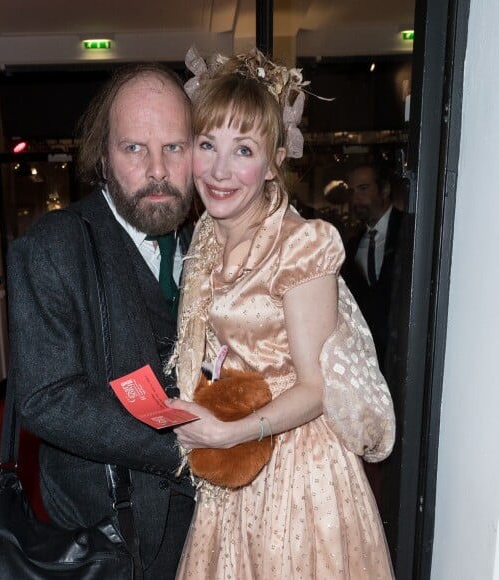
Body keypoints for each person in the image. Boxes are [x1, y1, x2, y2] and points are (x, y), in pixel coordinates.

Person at [165, 48, 395, 578]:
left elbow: (315, 388)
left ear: (273, 161)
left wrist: (233, 433)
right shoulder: (203, 239)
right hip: (236, 455)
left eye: (243, 149)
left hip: (298, 466)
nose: (220, 171)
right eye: (208, 144)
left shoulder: (301, 244)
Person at [6, 63, 196, 579]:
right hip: (109, 539)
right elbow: (47, 398)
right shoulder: (52, 248)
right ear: (104, 159)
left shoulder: (208, 243)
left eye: (174, 148)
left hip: (212, 529)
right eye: (135, 148)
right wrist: (188, 448)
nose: (157, 170)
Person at [341, 163, 403, 369]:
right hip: (366, 359)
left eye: (363, 188)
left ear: (384, 189)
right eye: (352, 191)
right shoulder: (351, 246)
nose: (356, 198)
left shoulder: (409, 231)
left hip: (402, 353)